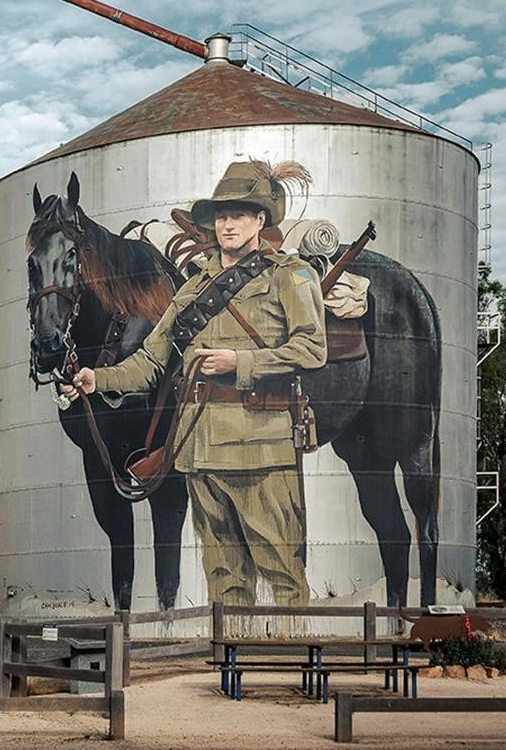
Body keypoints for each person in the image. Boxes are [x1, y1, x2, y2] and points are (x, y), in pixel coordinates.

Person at [61, 160, 327, 606]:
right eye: (221, 216)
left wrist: (239, 362)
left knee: (281, 572)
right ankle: (235, 672)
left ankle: (288, 669)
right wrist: (96, 378)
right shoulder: (191, 289)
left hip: (261, 447)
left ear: (260, 219)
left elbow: (311, 348)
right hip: (201, 451)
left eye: (239, 214)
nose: (227, 225)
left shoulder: (289, 275)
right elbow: (149, 361)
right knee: (224, 578)